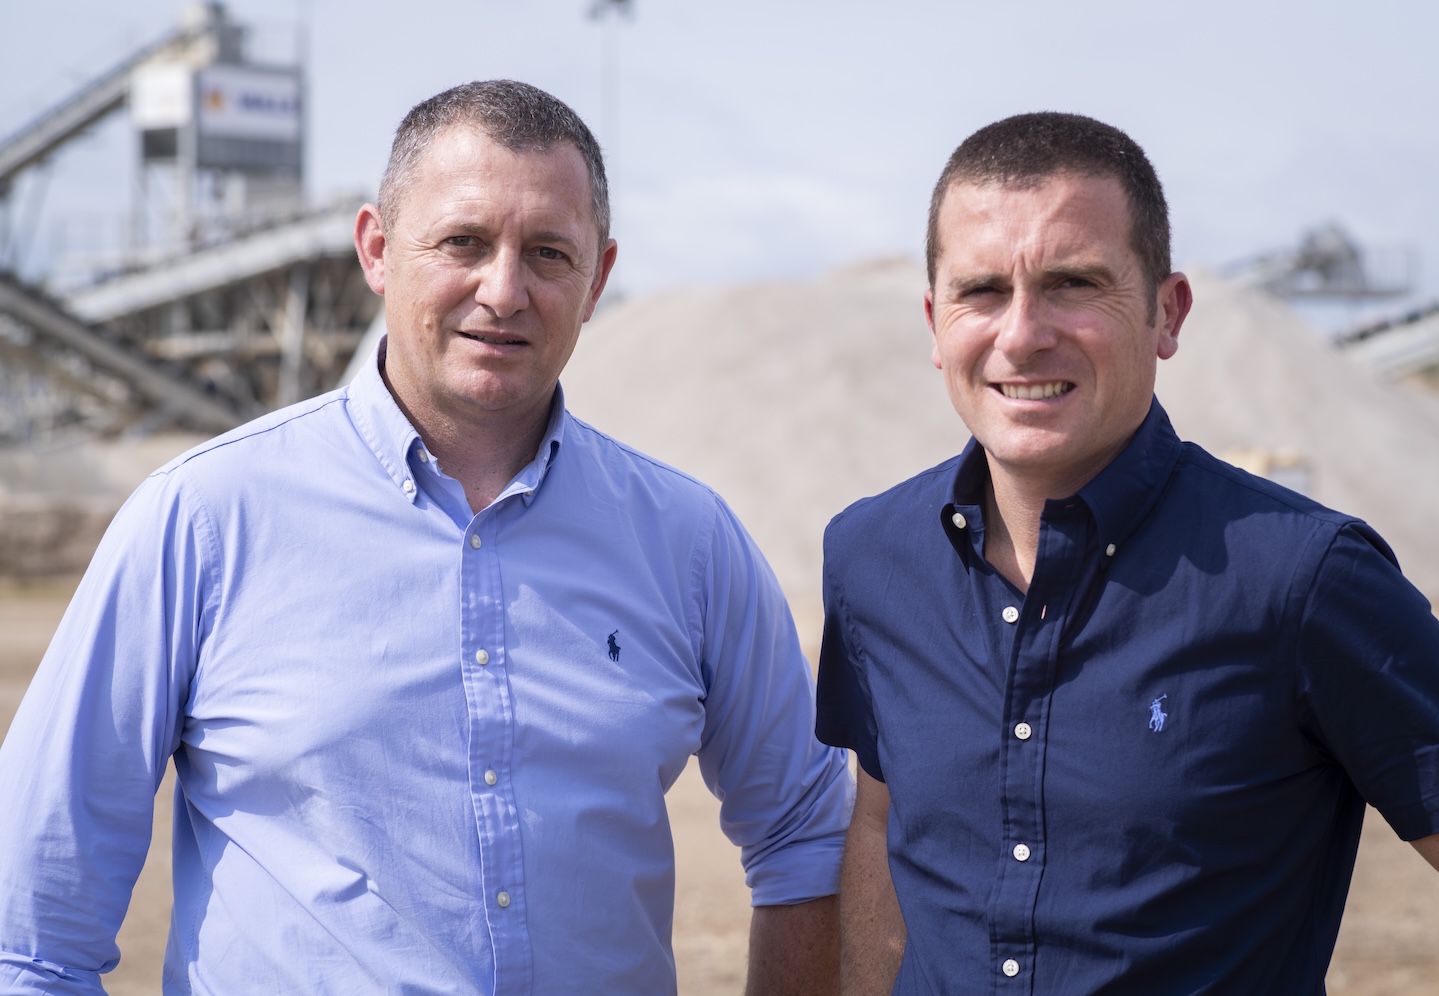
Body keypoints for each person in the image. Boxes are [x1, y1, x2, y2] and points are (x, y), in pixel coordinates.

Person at [0, 80, 851, 994]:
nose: (505, 289)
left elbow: (805, 829)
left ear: (598, 280)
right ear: (376, 249)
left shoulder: (689, 543)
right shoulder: (202, 520)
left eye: (549, 254)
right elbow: (35, 923)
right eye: (463, 243)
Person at [815, 112, 1439, 994]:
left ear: (1166, 313)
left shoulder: (1305, 579)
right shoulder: (871, 558)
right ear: (934, 321)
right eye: (982, 290)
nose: (1021, 335)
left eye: (1072, 284)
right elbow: (880, 820)